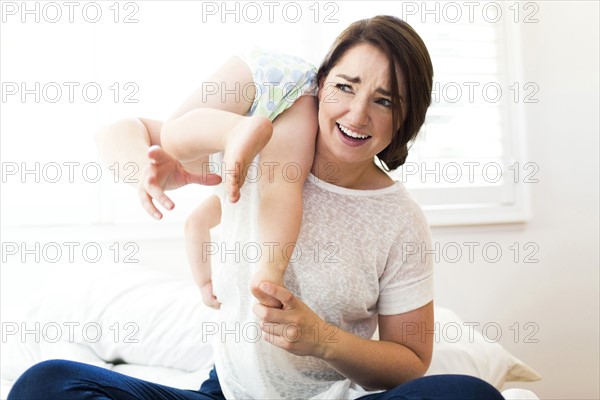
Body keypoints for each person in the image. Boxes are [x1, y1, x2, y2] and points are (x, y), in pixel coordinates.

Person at [7, 15, 505, 400]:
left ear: (407, 118)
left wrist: (322, 340)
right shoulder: (258, 145)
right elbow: (120, 131)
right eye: (345, 87)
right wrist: (142, 168)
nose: (357, 114)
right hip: (228, 392)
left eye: (385, 101)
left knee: (470, 394)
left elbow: (412, 361)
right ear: (318, 84)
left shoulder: (399, 220)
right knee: (45, 382)